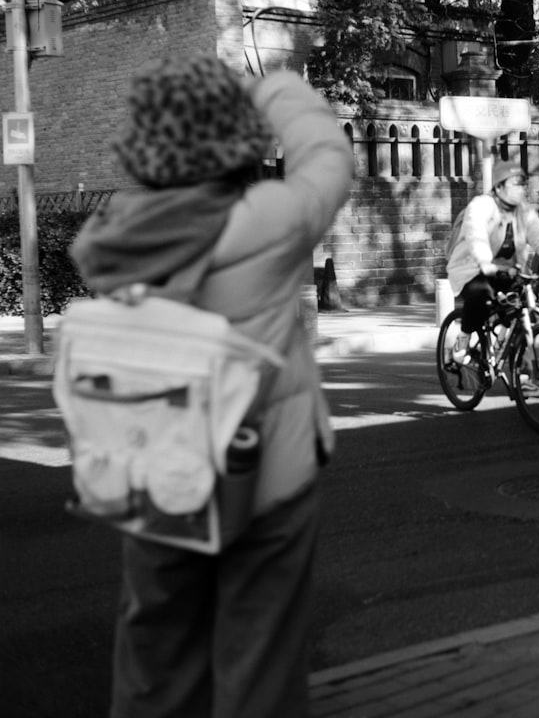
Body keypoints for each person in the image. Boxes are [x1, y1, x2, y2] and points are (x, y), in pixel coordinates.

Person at [70, 54, 354, 718]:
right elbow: (328, 158)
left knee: (155, 654)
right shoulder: (275, 218)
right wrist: (274, 87)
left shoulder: (117, 240)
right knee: (261, 657)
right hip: (267, 480)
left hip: (159, 480)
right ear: (236, 141)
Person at [446, 160, 539, 361]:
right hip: (472, 268)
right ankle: (463, 338)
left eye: (522, 183)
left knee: (520, 309)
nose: (520, 189)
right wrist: (486, 263)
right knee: (481, 296)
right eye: (514, 183)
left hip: (510, 270)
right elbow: (475, 234)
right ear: (498, 187)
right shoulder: (481, 205)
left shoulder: (523, 211)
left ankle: (520, 374)